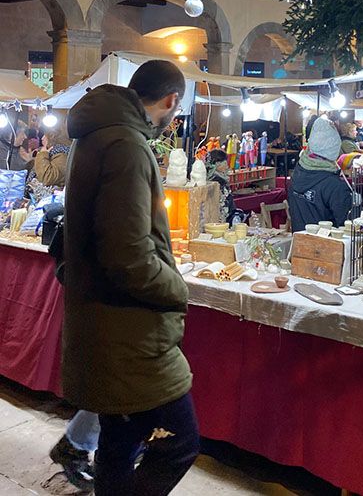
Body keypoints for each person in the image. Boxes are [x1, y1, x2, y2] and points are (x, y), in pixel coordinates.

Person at [62, 60, 199, 496]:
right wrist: (177, 288)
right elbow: (127, 255)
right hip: (128, 334)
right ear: (171, 101)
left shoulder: (98, 135)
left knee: (119, 443)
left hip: (108, 327)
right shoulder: (127, 145)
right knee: (179, 443)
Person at [289, 117, 353, 232]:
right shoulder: (335, 186)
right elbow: (347, 225)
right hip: (327, 246)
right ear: (335, 147)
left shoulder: (296, 174)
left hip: (299, 243)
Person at [206, 148, 236, 224]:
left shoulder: (221, 179)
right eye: (225, 164)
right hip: (217, 220)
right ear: (217, 165)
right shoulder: (218, 181)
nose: (227, 167)